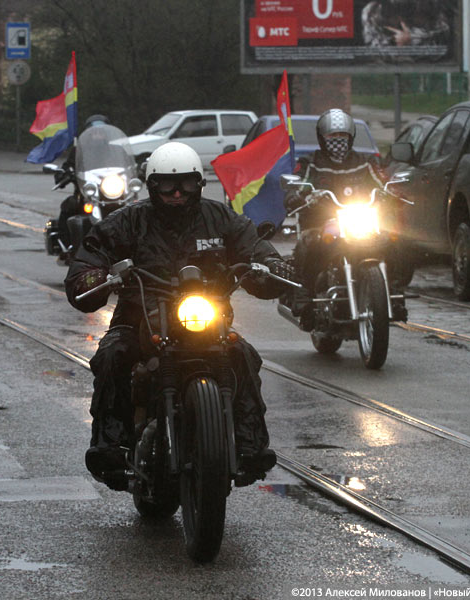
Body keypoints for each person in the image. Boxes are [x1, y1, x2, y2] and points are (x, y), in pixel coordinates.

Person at [64, 141, 295, 490]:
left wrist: (271, 265)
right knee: (112, 354)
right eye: (166, 185)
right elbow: (92, 252)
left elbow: (254, 247)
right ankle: (111, 446)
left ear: (199, 184)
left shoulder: (221, 218)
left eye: (186, 183)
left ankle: (249, 446)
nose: (176, 192)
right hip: (139, 316)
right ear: (151, 184)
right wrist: (92, 276)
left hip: (208, 319)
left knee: (243, 355)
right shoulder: (128, 220)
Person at [282, 108, 388, 324]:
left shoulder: (365, 162)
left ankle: (392, 289)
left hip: (359, 219)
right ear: (322, 138)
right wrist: (296, 196)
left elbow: (381, 182)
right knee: (309, 242)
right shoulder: (311, 162)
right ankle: (304, 295)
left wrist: (392, 192)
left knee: (393, 239)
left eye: (342, 136)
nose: (337, 141)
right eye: (332, 136)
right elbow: (299, 182)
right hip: (321, 222)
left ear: (351, 138)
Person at [51, 114, 110, 254]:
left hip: (112, 194)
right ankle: (65, 245)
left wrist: (138, 171)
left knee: (135, 209)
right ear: (88, 133)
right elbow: (68, 165)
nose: (97, 135)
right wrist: (63, 173)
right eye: (94, 132)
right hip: (86, 194)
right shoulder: (79, 151)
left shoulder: (116, 150)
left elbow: (128, 167)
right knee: (69, 207)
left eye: (101, 132)